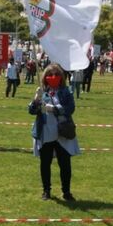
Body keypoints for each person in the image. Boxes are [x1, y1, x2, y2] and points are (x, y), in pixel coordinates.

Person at [29, 64, 79, 201]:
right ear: (45, 77)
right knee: (45, 163)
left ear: (61, 77)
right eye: (50, 74)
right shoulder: (42, 91)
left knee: (65, 163)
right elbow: (31, 111)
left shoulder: (66, 91)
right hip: (46, 133)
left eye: (56, 74)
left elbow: (70, 108)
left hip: (62, 132)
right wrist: (35, 99)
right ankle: (46, 190)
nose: (53, 77)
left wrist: (55, 109)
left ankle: (66, 191)